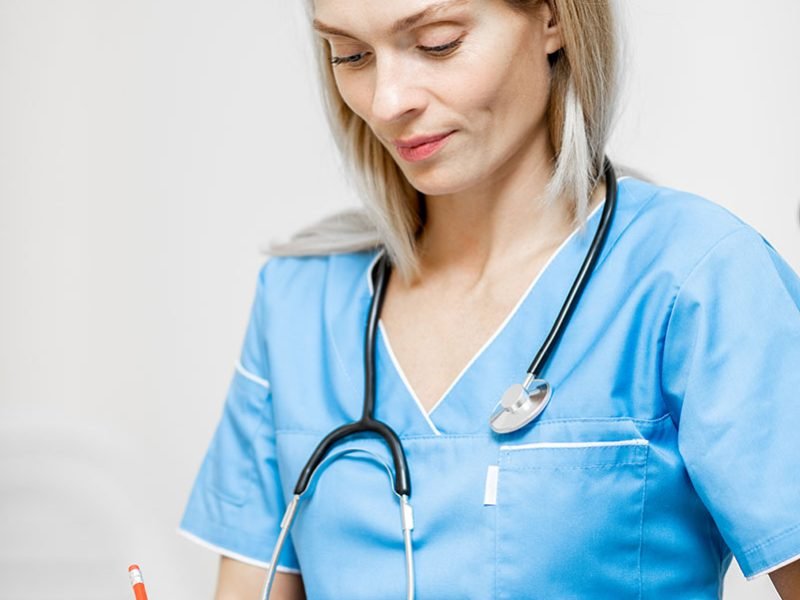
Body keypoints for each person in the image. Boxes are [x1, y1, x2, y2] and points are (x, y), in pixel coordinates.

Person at [178, 0, 800, 598]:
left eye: (437, 43)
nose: (389, 101)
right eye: (350, 55)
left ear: (553, 16)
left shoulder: (695, 278)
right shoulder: (299, 303)